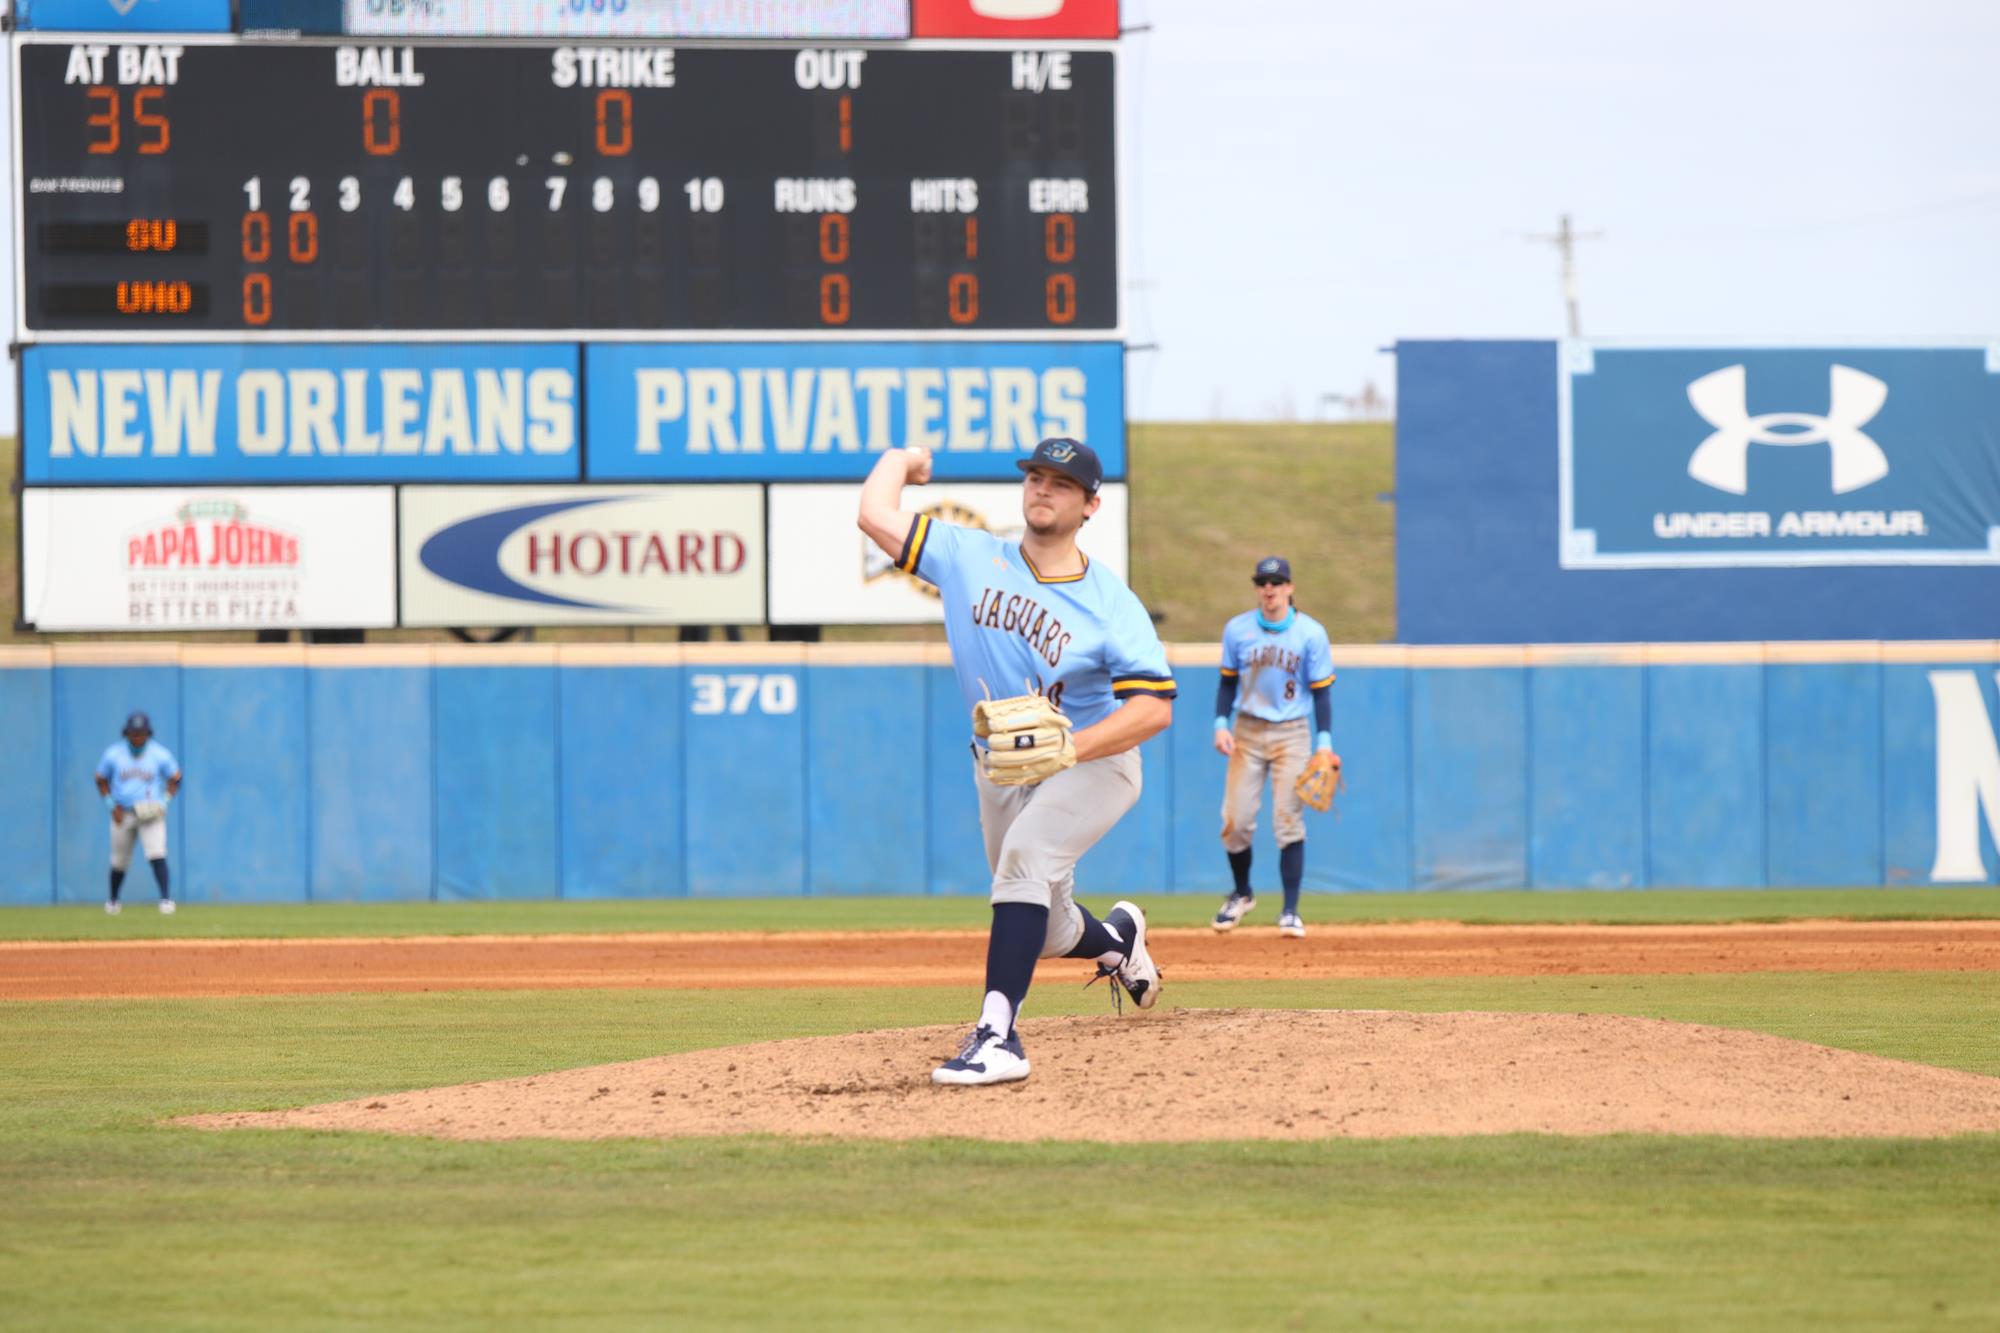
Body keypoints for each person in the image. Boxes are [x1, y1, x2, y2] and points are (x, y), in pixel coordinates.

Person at [858, 437, 1174, 1087]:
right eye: (1034, 476)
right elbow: (873, 514)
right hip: (1000, 768)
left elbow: (1154, 709)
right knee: (1047, 922)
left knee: (1025, 860)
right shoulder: (969, 556)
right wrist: (902, 460)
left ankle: (997, 1035)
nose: (1041, 488)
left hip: (1093, 764)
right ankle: (1119, 941)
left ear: (1090, 504)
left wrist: (1073, 747)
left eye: (1060, 482)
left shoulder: (1111, 603)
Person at [1211, 556, 1335, 938]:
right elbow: (1228, 682)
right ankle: (1242, 893)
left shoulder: (1310, 633)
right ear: (1257, 588)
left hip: (1292, 732)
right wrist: (1220, 723)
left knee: (1287, 821)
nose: (1270, 589)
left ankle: (1290, 911)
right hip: (1247, 730)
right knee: (1235, 821)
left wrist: (1325, 743)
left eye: (1277, 582)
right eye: (1263, 582)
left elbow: (1322, 692)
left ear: (1290, 587)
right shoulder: (1238, 629)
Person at [94, 711, 182, 915]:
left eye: (141, 733)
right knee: (119, 860)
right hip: (122, 812)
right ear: (127, 733)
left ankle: (166, 900)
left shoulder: (159, 753)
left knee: (157, 853)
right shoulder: (114, 754)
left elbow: (176, 777)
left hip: (150, 812)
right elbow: (100, 778)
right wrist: (110, 804)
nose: (137, 737)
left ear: (148, 733)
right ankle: (113, 901)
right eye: (134, 733)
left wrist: (165, 801)